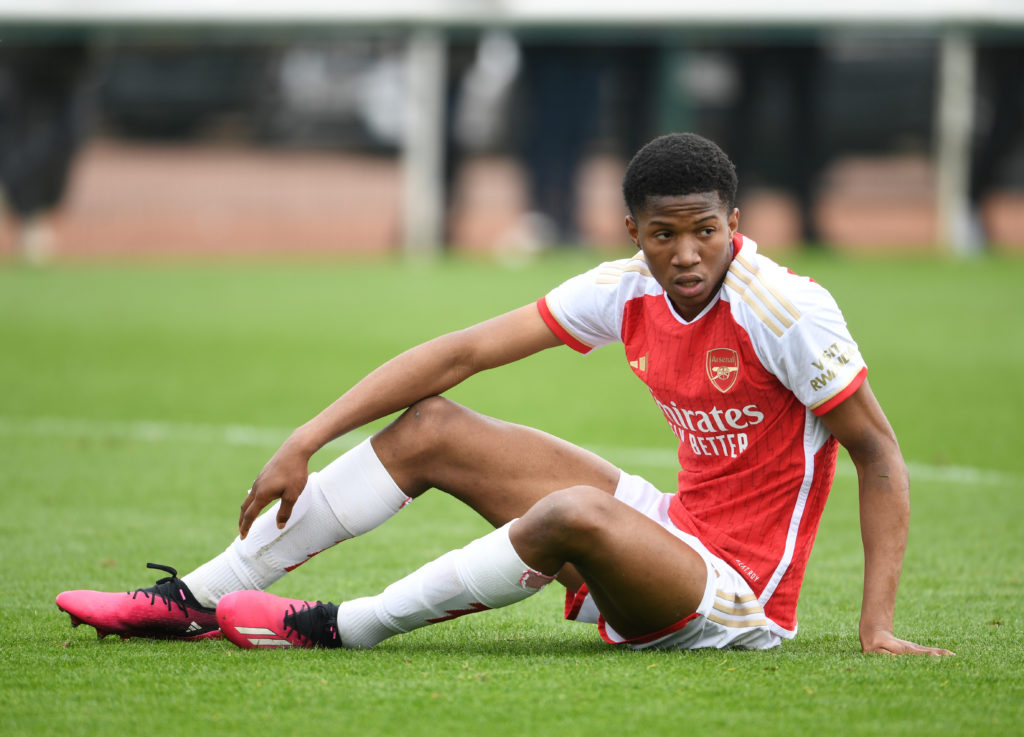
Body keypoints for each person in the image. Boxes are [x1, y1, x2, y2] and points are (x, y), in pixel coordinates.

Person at [56, 133, 951, 656]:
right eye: (666, 234)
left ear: (735, 226)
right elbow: (464, 351)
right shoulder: (628, 285)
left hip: (736, 602)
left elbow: (877, 450)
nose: (687, 253)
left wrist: (876, 627)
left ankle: (337, 627)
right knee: (437, 425)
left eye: (706, 231)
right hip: (672, 536)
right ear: (634, 231)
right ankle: (197, 600)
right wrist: (309, 432)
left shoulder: (788, 310)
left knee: (576, 510)